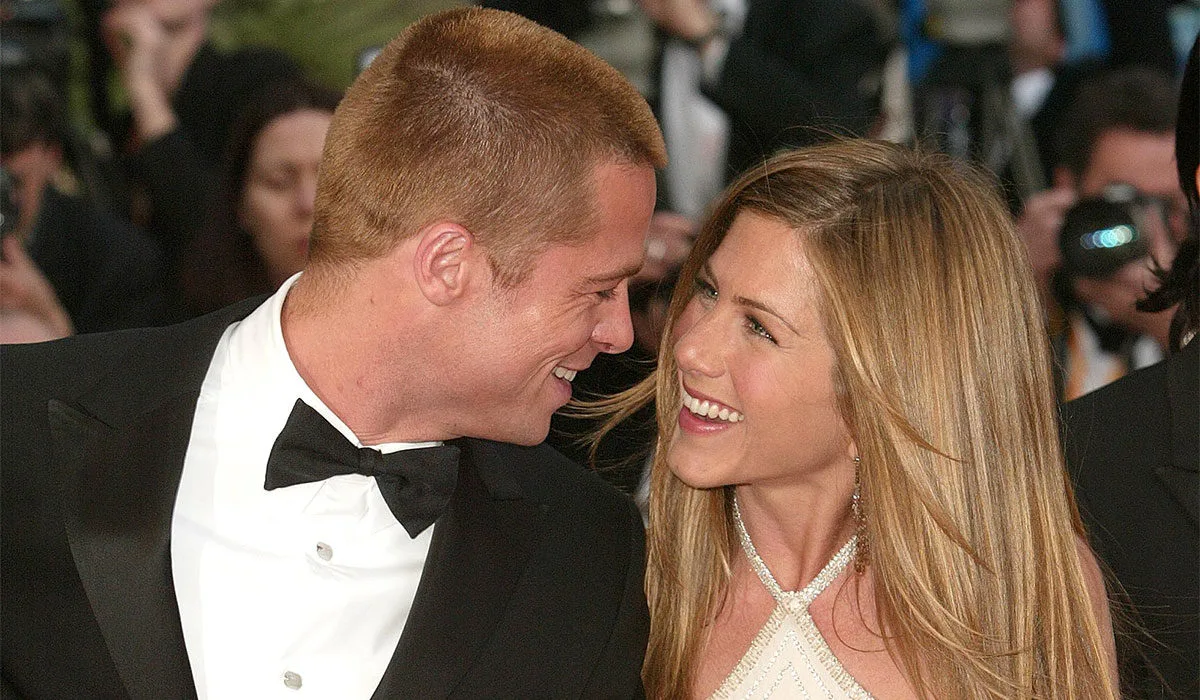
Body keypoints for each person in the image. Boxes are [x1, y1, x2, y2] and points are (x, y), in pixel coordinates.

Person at [1, 8, 666, 698]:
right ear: (447, 264)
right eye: (598, 289)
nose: (619, 332)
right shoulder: (16, 425)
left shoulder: (589, 557)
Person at [593, 139, 1117, 697]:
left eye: (760, 328)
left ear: (882, 397)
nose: (690, 348)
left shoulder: (1023, 596)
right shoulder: (621, 576)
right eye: (707, 290)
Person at [1062, 34, 1199, 699]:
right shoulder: (1009, 326)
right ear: (1066, 193)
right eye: (1116, 203)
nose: (1135, 235)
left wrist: (1170, 315)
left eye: (1163, 209)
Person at [1017, 65, 1183, 400]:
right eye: (1124, 200)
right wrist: (1010, 289)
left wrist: (1178, 331)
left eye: (1166, 205)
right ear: (1066, 192)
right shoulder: (1027, 287)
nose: (1147, 227)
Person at [178, 78, 342, 317]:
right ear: (241, 207)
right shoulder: (208, 342)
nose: (308, 204)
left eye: (332, 179)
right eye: (279, 182)